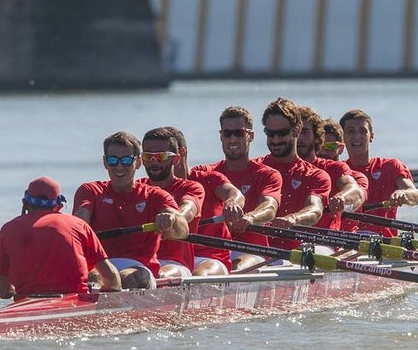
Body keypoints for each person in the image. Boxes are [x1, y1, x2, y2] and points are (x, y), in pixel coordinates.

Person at [73, 131, 187, 289]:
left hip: (138, 268)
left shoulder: (155, 195)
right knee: (95, 277)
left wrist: (172, 220)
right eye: (113, 160)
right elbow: (79, 222)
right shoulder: (90, 191)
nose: (119, 167)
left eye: (126, 161)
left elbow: (183, 230)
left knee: (127, 278)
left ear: (138, 162)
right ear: (105, 162)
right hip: (101, 266)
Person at [0, 176, 121, 300]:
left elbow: (3, 291)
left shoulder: (8, 229)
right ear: (59, 206)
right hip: (73, 304)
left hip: (27, 305)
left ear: (25, 204)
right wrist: (99, 293)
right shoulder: (78, 225)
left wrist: (15, 292)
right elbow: (112, 279)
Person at [141, 126, 229, 277]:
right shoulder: (139, 189)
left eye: (161, 156)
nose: (154, 162)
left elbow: (187, 211)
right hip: (145, 262)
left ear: (176, 158)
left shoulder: (193, 187)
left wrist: (173, 218)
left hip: (182, 262)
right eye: (148, 157)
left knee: (192, 275)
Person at [207, 106, 282, 270]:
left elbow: (270, 207)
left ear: (251, 136)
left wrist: (250, 218)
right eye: (227, 134)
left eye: (239, 133)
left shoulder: (268, 175)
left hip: (252, 251)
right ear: (221, 136)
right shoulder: (207, 174)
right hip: (214, 252)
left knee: (236, 267)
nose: (232, 139)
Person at [256, 98, 331, 248]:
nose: (276, 140)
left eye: (282, 133)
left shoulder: (316, 176)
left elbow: (315, 210)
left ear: (296, 130)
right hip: (257, 252)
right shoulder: (255, 169)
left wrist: (293, 219)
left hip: (296, 252)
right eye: (270, 134)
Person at [340, 108, 418, 236]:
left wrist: (404, 194)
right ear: (343, 137)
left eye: (363, 131)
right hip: (349, 241)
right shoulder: (339, 171)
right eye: (350, 132)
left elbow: (416, 196)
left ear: (371, 136)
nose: (357, 136)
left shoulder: (390, 166)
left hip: (385, 244)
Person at [297, 105, 366, 227]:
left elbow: (357, 195)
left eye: (331, 147)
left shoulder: (352, 176)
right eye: (323, 146)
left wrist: (342, 198)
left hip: (335, 238)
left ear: (341, 148)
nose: (324, 151)